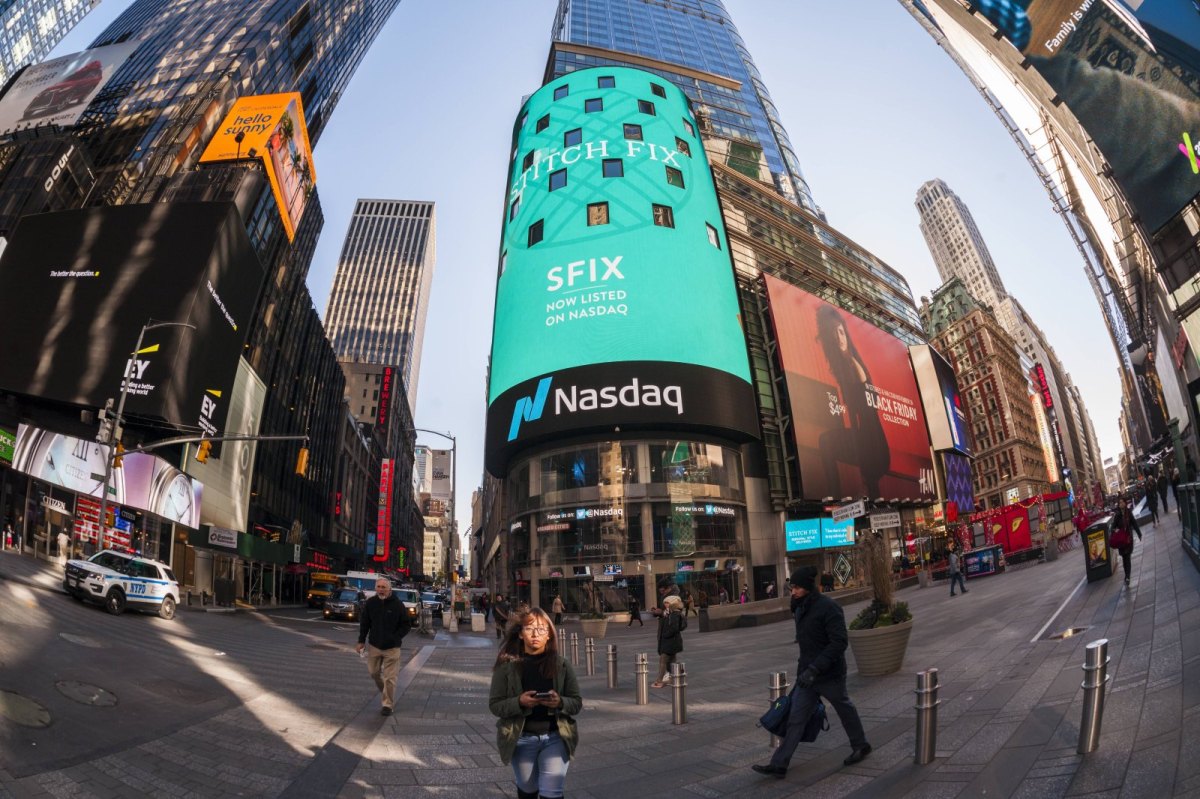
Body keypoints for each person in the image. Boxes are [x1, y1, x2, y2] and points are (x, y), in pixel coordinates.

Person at [753, 567, 870, 779]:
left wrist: (816, 668)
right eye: (792, 588)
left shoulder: (829, 607)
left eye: (797, 588)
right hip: (807, 676)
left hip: (829, 674)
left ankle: (861, 745)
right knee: (795, 718)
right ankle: (779, 764)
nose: (793, 592)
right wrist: (804, 672)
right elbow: (806, 645)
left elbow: (839, 642)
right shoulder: (800, 608)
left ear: (807, 587)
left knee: (844, 708)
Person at [489, 607, 582, 799]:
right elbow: (495, 705)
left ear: (549, 634)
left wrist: (559, 702)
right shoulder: (506, 666)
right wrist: (519, 702)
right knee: (528, 790)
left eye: (541, 629)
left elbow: (576, 703)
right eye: (529, 628)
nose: (535, 634)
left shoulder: (562, 665)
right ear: (521, 634)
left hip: (556, 737)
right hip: (521, 739)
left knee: (552, 793)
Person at [816, 304, 890, 498]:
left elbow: (866, 393)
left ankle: (835, 496)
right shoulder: (842, 365)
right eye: (834, 333)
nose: (839, 338)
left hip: (874, 448)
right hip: (866, 441)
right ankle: (849, 493)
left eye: (841, 332)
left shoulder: (852, 363)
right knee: (825, 440)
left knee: (825, 442)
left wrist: (848, 357)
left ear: (846, 335)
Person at [355, 577, 412, 716]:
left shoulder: (398, 604)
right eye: (378, 587)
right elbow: (365, 623)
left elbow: (406, 625)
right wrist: (361, 641)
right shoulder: (371, 603)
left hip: (392, 648)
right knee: (374, 673)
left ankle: (387, 705)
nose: (380, 590)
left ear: (389, 589)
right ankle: (386, 692)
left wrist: (395, 637)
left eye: (383, 587)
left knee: (390, 678)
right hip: (374, 645)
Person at [651, 595, 686, 688]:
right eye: (665, 603)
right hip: (669, 641)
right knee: (671, 661)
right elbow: (660, 618)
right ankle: (674, 678)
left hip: (671, 640)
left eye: (667, 603)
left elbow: (674, 628)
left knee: (663, 659)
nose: (665, 604)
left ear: (672, 603)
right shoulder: (667, 613)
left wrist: (666, 635)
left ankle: (659, 680)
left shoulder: (675, 614)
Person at [1111, 496, 1143, 585]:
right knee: (1124, 558)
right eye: (1119, 502)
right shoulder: (1117, 515)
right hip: (1121, 541)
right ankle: (1126, 574)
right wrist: (1115, 530)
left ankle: (1128, 576)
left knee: (1127, 558)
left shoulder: (1128, 512)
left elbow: (1134, 523)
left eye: (1122, 502)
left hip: (1128, 539)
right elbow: (1112, 527)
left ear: (1125, 503)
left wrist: (1139, 533)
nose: (1121, 504)